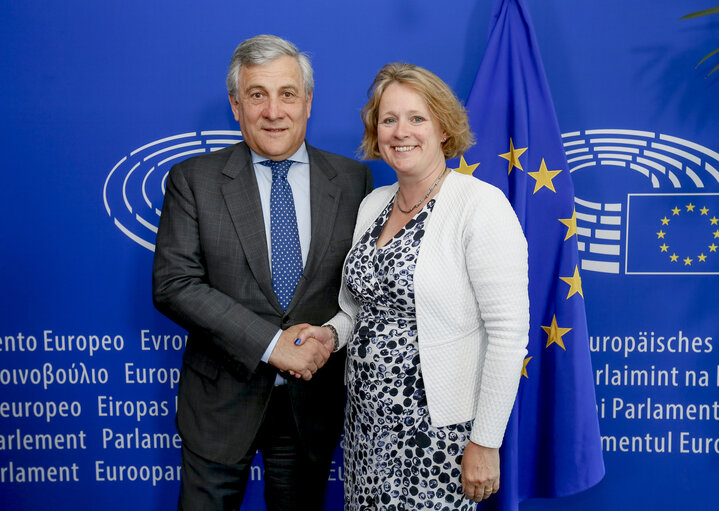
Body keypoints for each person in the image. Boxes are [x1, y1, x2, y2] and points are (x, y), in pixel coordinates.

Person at [152, 34, 372, 511]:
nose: (274, 111)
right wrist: (273, 347)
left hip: (310, 403)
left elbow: (359, 289)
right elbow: (175, 284)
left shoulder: (354, 181)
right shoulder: (194, 180)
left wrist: (323, 340)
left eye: (287, 94)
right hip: (219, 402)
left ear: (308, 102)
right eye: (258, 95)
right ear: (236, 105)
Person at [298, 63, 529, 510]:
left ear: (443, 128)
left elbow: (508, 333)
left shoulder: (480, 206)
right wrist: (331, 334)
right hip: (366, 428)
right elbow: (358, 310)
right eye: (388, 120)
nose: (401, 131)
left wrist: (485, 442)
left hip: (438, 435)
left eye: (416, 118)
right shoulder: (373, 205)